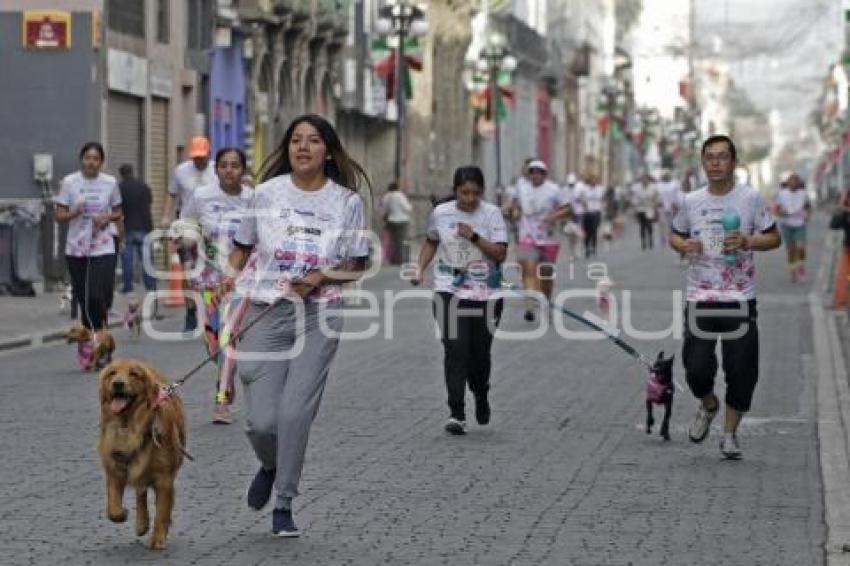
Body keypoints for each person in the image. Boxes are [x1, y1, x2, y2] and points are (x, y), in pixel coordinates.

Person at [223, 114, 371, 537]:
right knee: (261, 422)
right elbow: (242, 248)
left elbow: (357, 264)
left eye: (313, 140)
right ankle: (271, 464)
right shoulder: (265, 194)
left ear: (328, 150)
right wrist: (225, 283)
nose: (303, 147)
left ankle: (284, 503)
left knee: (293, 413)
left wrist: (320, 277)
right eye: (295, 141)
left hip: (318, 313)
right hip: (266, 311)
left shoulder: (346, 202)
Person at [670, 134, 781, 459]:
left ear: (733, 162)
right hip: (700, 296)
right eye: (710, 157)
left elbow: (774, 238)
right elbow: (676, 235)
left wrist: (748, 241)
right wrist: (684, 246)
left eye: (722, 157)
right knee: (696, 368)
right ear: (703, 163)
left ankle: (729, 435)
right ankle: (708, 404)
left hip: (739, 296)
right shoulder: (690, 201)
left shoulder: (750, 199)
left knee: (742, 369)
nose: (716, 163)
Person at [411, 166, 508, 435]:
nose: (470, 198)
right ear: (455, 191)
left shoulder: (491, 214)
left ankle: (481, 393)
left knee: (479, 356)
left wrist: (474, 236)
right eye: (464, 192)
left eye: (476, 193)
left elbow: (500, 254)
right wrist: (420, 268)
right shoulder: (441, 214)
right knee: (455, 349)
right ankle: (456, 412)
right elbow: (431, 241)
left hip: (487, 295)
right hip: (448, 292)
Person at [177, 147, 254, 425]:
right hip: (206, 280)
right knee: (213, 345)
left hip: (240, 282)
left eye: (235, 165)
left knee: (228, 339)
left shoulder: (252, 199)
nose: (229, 170)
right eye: (223, 165)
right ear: (216, 169)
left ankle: (221, 400)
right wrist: (186, 242)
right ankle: (226, 374)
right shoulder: (202, 196)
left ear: (242, 169)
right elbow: (186, 224)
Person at [53, 142, 123, 369]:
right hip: (77, 247)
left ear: (101, 162)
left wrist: (107, 218)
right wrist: (74, 212)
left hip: (103, 245)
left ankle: (102, 340)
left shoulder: (110, 183)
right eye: (87, 158)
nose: (91, 162)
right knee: (84, 298)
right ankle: (91, 343)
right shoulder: (70, 183)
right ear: (81, 159)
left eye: (96, 158)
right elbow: (59, 215)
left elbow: (118, 211)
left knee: (97, 295)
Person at [503, 159, 570, 322]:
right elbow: (513, 204)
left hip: (549, 238)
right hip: (527, 236)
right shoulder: (522, 187)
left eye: (538, 172)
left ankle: (546, 301)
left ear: (544, 175)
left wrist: (553, 216)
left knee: (546, 274)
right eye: (532, 172)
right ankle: (530, 305)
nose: (535, 175)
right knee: (529, 268)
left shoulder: (553, 190)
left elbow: (567, 208)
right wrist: (511, 210)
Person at [162, 136, 216, 333]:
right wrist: (166, 217)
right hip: (188, 225)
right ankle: (190, 312)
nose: (198, 160)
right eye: (195, 157)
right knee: (188, 272)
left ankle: (212, 313)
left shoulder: (217, 170)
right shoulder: (181, 171)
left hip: (212, 226)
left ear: (208, 154)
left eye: (202, 157)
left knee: (213, 271)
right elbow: (172, 195)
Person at [117, 164, 156, 295]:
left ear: (121, 174)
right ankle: (150, 286)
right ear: (132, 172)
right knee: (146, 260)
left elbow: (117, 209)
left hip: (127, 228)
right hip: (144, 227)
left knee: (127, 260)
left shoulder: (119, 188)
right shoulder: (144, 187)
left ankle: (127, 286)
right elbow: (149, 204)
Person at [775, 173, 811, 282]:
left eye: (795, 182)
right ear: (788, 183)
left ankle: (801, 268)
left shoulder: (803, 194)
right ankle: (792, 271)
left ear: (798, 183)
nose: (793, 184)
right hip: (786, 224)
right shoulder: (782, 194)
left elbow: (808, 207)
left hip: (800, 224)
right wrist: (782, 212)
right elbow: (777, 209)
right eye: (791, 182)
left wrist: (807, 216)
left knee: (800, 247)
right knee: (791, 250)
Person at [381, 182, 413, 265]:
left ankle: (393, 258)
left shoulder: (386, 196)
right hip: (401, 220)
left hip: (391, 220)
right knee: (400, 241)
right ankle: (400, 259)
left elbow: (384, 209)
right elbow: (407, 208)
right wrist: (410, 205)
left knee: (393, 241)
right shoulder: (400, 195)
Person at [575, 172, 605, 258]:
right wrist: (583, 204)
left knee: (594, 230)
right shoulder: (584, 189)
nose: (593, 182)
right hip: (587, 212)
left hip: (596, 212)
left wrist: (603, 207)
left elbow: (602, 198)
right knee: (587, 232)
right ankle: (587, 248)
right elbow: (578, 198)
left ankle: (594, 247)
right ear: (589, 181)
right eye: (591, 180)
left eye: (595, 180)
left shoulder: (600, 189)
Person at [631, 172, 660, 250]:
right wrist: (635, 205)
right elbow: (634, 199)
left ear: (648, 180)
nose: (644, 181)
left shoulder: (653, 187)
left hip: (649, 208)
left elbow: (656, 197)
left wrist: (655, 205)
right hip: (640, 208)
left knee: (649, 224)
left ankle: (650, 238)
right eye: (643, 179)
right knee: (642, 226)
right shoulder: (636, 188)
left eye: (646, 179)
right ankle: (643, 241)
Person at [561, 172, 583, 258]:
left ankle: (577, 251)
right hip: (568, 214)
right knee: (569, 234)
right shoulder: (565, 190)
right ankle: (572, 251)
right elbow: (563, 201)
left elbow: (583, 200)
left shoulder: (579, 189)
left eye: (572, 184)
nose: (571, 185)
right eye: (570, 184)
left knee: (577, 234)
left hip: (577, 214)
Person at [657, 170, 681, 247]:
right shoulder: (659, 185)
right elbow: (656, 196)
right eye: (665, 175)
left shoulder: (675, 184)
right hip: (662, 207)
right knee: (662, 224)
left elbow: (677, 195)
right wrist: (658, 202)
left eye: (667, 175)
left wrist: (676, 204)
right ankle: (662, 238)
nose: (666, 176)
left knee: (672, 224)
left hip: (672, 207)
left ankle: (672, 238)